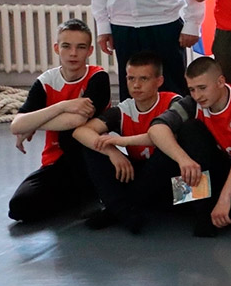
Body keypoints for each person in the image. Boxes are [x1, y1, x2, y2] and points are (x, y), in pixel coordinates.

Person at [8, 19, 111, 223]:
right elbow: (16, 125)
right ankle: (75, 195)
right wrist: (63, 106)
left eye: (80, 47)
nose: (73, 53)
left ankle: (90, 193)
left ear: (90, 51)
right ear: (57, 48)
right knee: (19, 207)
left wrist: (33, 124)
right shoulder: (46, 81)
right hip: (55, 161)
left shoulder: (98, 77)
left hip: (91, 159)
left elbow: (75, 121)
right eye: (66, 46)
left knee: (70, 134)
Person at [147, 57, 231, 236]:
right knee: (188, 131)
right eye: (192, 89)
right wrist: (183, 160)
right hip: (214, 172)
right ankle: (202, 210)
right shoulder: (193, 103)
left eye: (202, 88)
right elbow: (156, 128)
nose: (197, 95)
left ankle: (209, 207)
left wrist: (225, 198)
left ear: (220, 82)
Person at [71, 51, 179, 232]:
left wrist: (120, 140)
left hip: (170, 179)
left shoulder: (173, 102)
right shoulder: (123, 109)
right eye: (131, 78)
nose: (136, 85)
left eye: (144, 79)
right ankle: (124, 209)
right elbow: (80, 132)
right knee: (94, 147)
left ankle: (117, 209)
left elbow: (164, 138)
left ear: (159, 81)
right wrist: (112, 151)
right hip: (138, 175)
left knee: (166, 152)